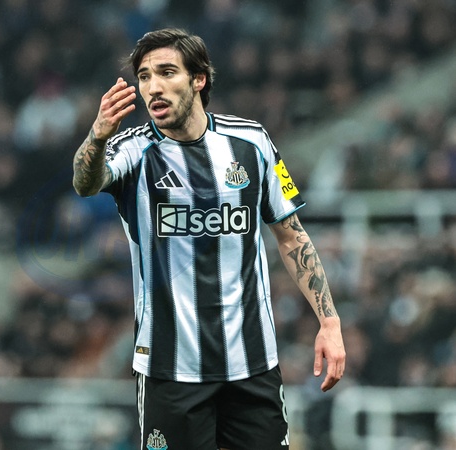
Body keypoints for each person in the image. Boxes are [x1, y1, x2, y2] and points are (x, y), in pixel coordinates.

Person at [72, 28, 346, 450]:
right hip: (170, 370)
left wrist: (329, 322)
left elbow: (292, 237)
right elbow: (85, 182)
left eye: (167, 72)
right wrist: (97, 135)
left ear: (199, 79)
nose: (153, 86)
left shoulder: (252, 142)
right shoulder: (132, 148)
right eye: (144, 76)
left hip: (252, 366)